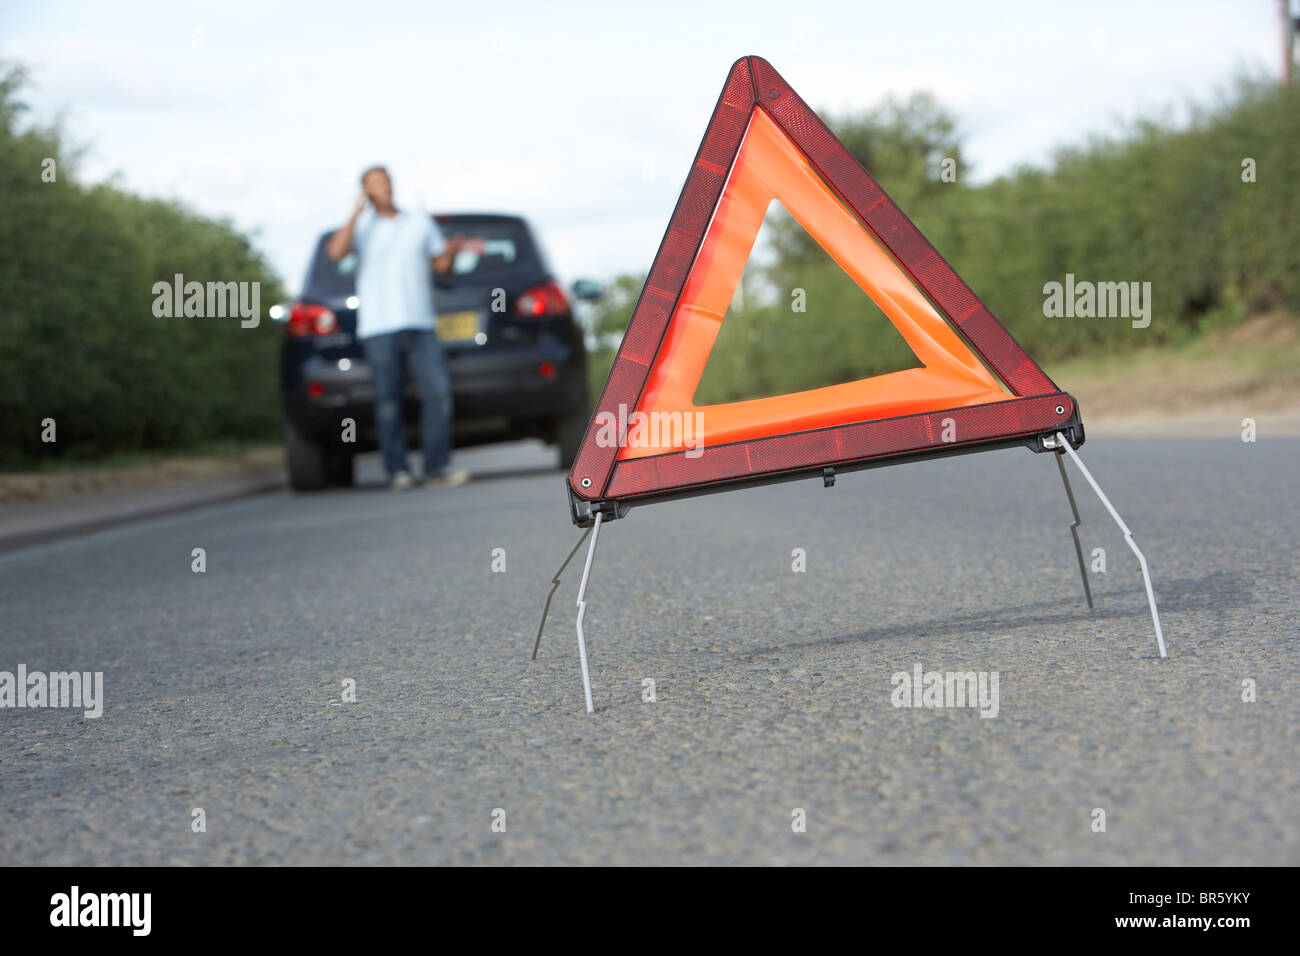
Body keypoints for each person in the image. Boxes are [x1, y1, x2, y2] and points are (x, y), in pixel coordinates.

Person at [327, 165, 471, 490]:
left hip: (419, 322)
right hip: (379, 325)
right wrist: (355, 211)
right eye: (375, 183)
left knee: (438, 394)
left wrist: (452, 253)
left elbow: (441, 266)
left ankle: (436, 467)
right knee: (388, 399)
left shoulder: (419, 223)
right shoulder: (361, 226)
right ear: (365, 190)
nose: (384, 187)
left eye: (386, 181)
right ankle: (397, 471)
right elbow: (336, 251)